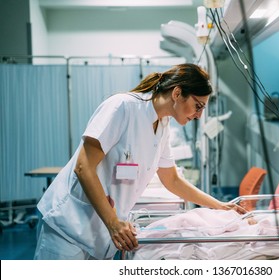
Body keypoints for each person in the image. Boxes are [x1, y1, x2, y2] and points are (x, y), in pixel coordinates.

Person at [34, 63, 246, 260]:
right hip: (70, 227)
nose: (199, 115)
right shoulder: (122, 107)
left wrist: (220, 206)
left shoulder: (162, 127)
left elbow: (172, 179)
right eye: (197, 106)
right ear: (177, 93)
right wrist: (113, 223)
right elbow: (83, 166)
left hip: (101, 234)